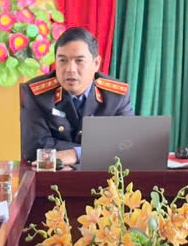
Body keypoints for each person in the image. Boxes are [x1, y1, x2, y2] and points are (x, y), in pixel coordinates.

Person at [22, 27, 135, 164]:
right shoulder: (36, 93)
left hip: (103, 178)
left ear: (96, 63)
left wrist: (76, 154)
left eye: (79, 61)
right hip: (52, 177)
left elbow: (127, 145)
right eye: (62, 60)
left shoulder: (116, 96)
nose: (70, 69)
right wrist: (97, 151)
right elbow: (34, 149)